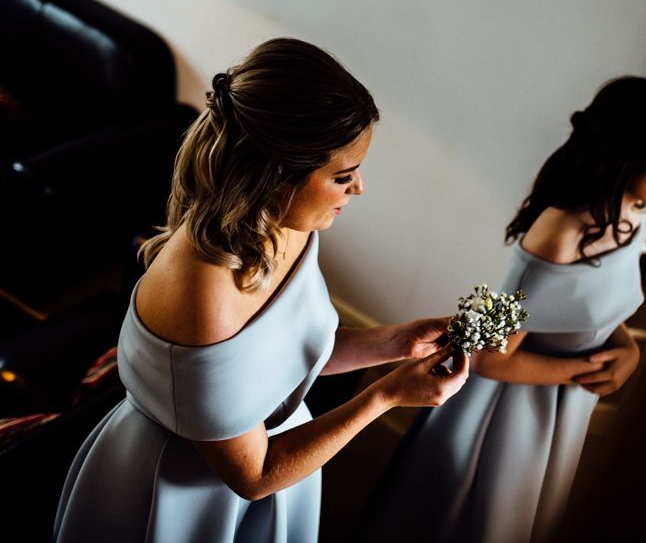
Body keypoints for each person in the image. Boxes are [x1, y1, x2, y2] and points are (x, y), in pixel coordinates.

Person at [52, 38, 469, 543]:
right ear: (276, 175)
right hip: (181, 491)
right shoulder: (203, 296)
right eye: (342, 175)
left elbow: (284, 360)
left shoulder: (289, 224)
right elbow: (252, 476)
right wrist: (387, 396)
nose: (358, 188)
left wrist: (397, 343)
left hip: (281, 456)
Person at [359, 76, 646, 543]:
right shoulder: (557, 237)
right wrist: (582, 372)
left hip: (566, 397)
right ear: (630, 160)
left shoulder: (633, 216)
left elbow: (590, 307)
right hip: (511, 412)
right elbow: (491, 356)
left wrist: (627, 351)